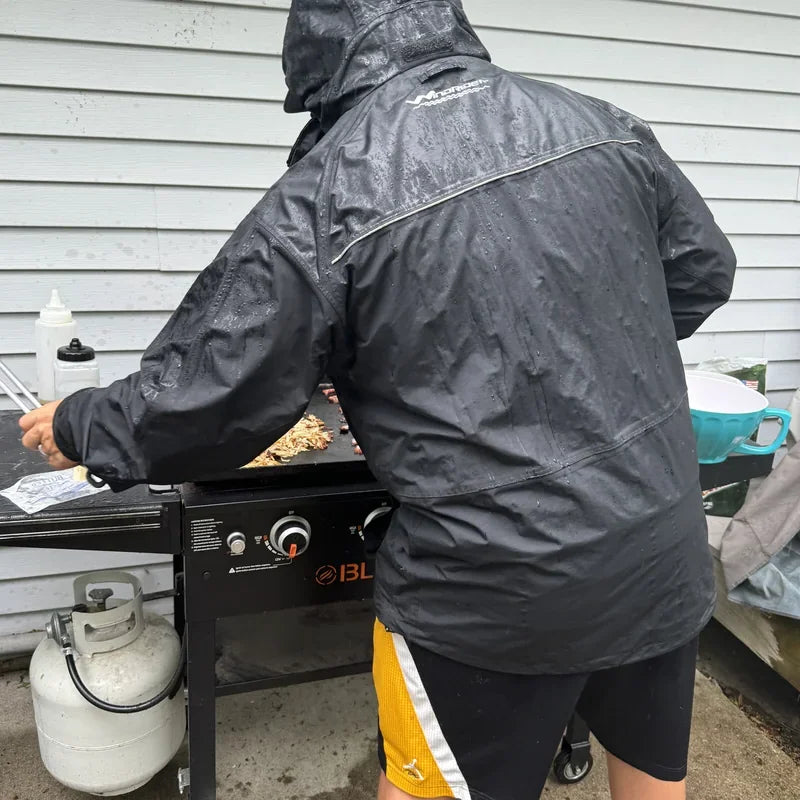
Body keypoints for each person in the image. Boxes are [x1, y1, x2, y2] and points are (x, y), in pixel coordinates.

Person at [21, 2, 736, 799]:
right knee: (650, 778)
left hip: (493, 592)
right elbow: (700, 272)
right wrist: (564, 348)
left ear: (321, 62)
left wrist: (82, 423)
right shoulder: (598, 122)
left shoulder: (332, 188)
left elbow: (207, 398)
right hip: (659, 540)